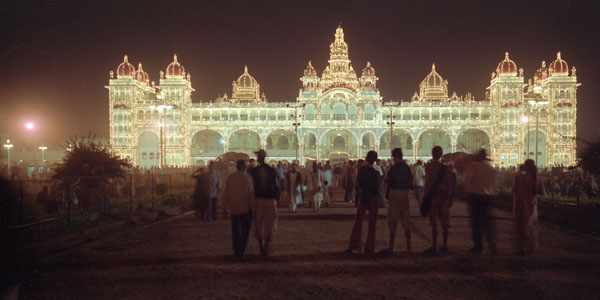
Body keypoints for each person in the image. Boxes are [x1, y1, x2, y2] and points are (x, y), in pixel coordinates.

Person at [460, 149, 497, 254]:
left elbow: (466, 180)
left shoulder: (474, 167)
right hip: (488, 197)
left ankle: (478, 246)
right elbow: (495, 183)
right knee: (488, 222)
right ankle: (492, 244)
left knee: (476, 223)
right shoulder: (491, 168)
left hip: (475, 197)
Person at [346, 151, 381, 256]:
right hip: (373, 198)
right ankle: (369, 248)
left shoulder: (362, 170)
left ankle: (354, 245)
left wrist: (361, 192)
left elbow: (358, 183)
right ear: (374, 160)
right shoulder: (375, 172)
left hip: (364, 197)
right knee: (372, 224)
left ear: (366, 158)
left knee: (358, 222)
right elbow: (378, 187)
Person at [380, 148, 413, 255]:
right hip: (405, 195)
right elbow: (410, 182)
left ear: (394, 157)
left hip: (395, 194)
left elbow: (388, 181)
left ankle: (391, 247)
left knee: (393, 220)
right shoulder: (407, 168)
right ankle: (408, 246)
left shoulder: (393, 169)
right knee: (406, 220)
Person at [222, 160, 255, 259]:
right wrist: (253, 209)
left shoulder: (230, 178)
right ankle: (242, 249)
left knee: (235, 230)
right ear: (245, 167)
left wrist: (224, 208)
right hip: (246, 209)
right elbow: (251, 195)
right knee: (245, 231)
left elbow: (225, 194)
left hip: (234, 209)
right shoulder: (248, 178)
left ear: (236, 167)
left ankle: (237, 250)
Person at [250, 149, 279, 258]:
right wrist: (277, 199)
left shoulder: (254, 171)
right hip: (269, 199)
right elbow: (276, 186)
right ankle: (264, 245)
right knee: (268, 224)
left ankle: (263, 245)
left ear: (260, 158)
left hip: (259, 200)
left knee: (260, 224)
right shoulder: (271, 170)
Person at [423, 146, 451, 254]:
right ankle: (444, 245)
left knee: (434, 224)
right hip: (443, 198)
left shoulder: (429, 167)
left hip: (433, 198)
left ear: (432, 154)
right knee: (444, 223)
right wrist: (448, 199)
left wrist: (425, 198)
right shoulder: (446, 169)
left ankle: (434, 246)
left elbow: (427, 184)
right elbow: (449, 185)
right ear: (441, 154)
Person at [512, 159, 543, 254]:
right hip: (532, 204)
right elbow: (541, 192)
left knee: (521, 226)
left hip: (521, 203)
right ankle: (533, 246)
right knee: (532, 226)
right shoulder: (538, 178)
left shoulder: (520, 177)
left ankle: (521, 247)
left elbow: (514, 191)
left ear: (525, 167)